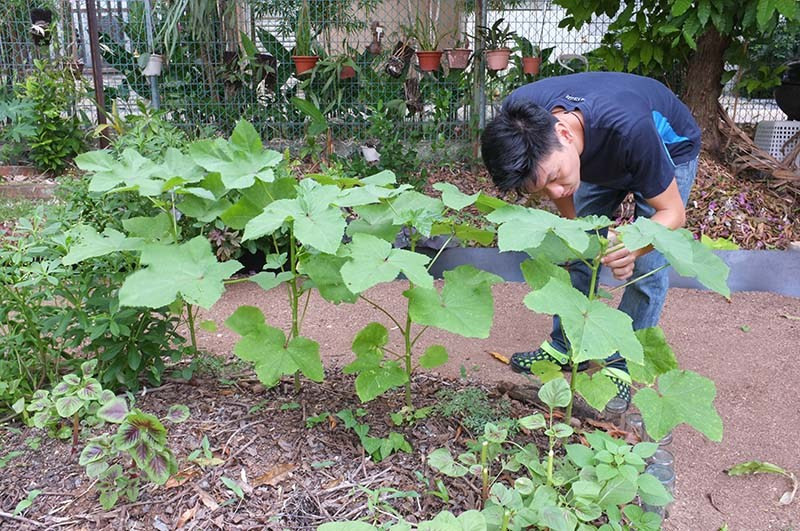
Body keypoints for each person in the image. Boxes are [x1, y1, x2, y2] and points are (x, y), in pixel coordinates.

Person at [480, 72, 701, 403]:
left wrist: (633, 248)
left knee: (647, 269)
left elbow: (673, 214)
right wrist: (579, 229)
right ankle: (568, 345)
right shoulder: (521, 119)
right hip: (597, 153)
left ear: (564, 133)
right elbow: (563, 199)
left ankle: (622, 362)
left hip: (663, 147)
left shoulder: (630, 130)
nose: (555, 192)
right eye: (541, 190)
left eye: (555, 177)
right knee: (580, 252)